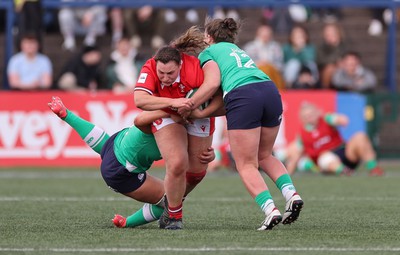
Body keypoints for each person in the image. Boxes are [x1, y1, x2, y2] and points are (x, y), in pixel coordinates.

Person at [177, 18, 304, 230]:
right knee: (265, 155)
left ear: (208, 37)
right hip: (270, 91)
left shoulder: (208, 53)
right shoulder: (237, 50)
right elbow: (223, 93)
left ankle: (270, 210)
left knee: (245, 164)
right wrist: (202, 112)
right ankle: (292, 195)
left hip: (244, 94)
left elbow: (212, 84)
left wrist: (190, 105)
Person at [47, 96, 215, 228]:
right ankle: (127, 223)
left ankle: (66, 114)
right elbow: (140, 120)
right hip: (121, 171)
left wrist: (209, 155)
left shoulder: (177, 123)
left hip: (116, 144)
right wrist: (169, 112)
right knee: (171, 201)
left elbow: (192, 151)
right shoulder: (164, 120)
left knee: (105, 146)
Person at [134, 28, 220, 230]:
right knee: (177, 163)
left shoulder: (196, 70)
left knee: (197, 171)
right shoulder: (150, 67)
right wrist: (174, 103)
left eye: (170, 73)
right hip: (166, 112)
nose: (164, 78)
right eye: (161, 73)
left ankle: (169, 203)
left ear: (180, 65)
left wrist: (197, 112)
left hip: (197, 112)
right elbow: (139, 99)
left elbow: (222, 103)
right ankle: (173, 216)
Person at [287, 102, 384, 176]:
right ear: (302, 119)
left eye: (311, 114)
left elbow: (339, 119)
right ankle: (343, 171)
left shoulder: (326, 119)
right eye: (306, 116)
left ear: (317, 112)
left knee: (360, 136)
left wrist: (339, 120)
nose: (309, 117)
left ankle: (373, 168)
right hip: (326, 162)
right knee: (325, 157)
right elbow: (296, 155)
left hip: (344, 153)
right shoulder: (302, 136)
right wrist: (287, 174)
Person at [243, 23, 285, 90]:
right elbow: (245, 65)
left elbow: (280, 65)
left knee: (267, 68)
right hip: (255, 73)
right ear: (258, 34)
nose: (265, 36)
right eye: (263, 34)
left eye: (267, 34)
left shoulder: (276, 47)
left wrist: (268, 65)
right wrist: (258, 64)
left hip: (273, 73)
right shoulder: (249, 47)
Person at [316, 22, 347, 89]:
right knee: (330, 68)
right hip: (326, 71)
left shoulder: (345, 46)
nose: (330, 35)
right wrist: (337, 62)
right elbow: (322, 60)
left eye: (332, 32)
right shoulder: (321, 48)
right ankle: (325, 92)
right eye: (327, 33)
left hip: (344, 68)